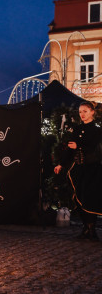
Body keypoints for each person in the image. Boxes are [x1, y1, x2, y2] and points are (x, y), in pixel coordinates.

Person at [54, 101, 102, 240]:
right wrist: (61, 164)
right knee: (77, 197)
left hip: (92, 169)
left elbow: (94, 148)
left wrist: (79, 146)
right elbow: (70, 148)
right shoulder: (76, 129)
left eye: (85, 111)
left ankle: (91, 229)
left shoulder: (97, 130)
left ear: (92, 112)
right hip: (78, 169)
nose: (82, 114)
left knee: (89, 198)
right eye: (80, 112)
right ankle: (86, 228)